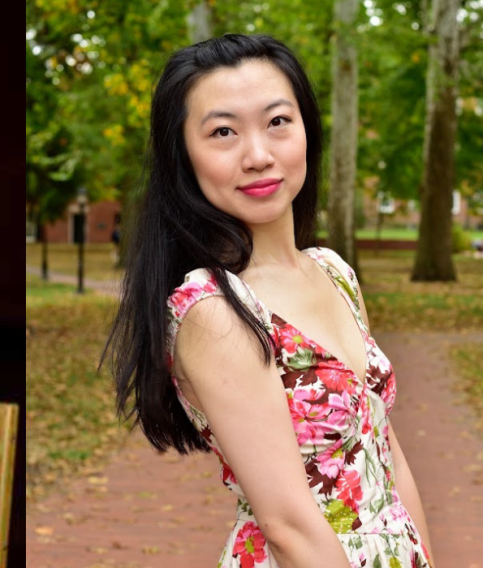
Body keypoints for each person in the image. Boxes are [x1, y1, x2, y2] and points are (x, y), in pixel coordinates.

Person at [104, 35, 434, 567]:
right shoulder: (213, 309)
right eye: (223, 132)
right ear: (183, 156)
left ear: (306, 129)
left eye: (278, 121)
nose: (258, 156)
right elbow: (287, 526)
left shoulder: (334, 272)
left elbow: (386, 452)